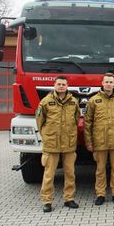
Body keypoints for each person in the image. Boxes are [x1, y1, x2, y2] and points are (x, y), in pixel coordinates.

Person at [36, 76, 80, 212]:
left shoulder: (73, 102)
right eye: (59, 84)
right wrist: (47, 136)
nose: (61, 86)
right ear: (54, 85)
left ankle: (69, 199)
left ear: (67, 86)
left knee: (70, 173)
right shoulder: (45, 102)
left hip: (68, 143)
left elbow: (76, 119)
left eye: (64, 84)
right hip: (52, 144)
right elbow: (39, 121)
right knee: (49, 174)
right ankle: (47, 201)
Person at [84, 73, 114, 205]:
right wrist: (89, 142)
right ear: (102, 83)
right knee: (100, 169)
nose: (109, 84)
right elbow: (88, 123)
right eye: (106, 82)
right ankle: (100, 194)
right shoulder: (93, 100)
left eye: (111, 82)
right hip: (100, 140)